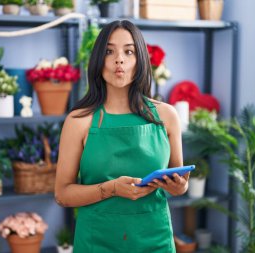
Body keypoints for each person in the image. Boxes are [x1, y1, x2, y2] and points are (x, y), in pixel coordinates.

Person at [55, 20, 189, 252]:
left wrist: (178, 188)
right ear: (99, 60)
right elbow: (63, 194)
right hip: (96, 242)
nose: (119, 59)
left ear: (140, 61)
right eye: (109, 51)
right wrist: (112, 188)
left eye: (129, 51)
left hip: (154, 240)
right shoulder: (78, 121)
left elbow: (180, 181)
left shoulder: (167, 116)